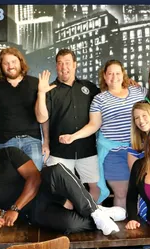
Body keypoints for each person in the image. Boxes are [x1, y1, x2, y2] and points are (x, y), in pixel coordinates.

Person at [0, 133, 126, 236]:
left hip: (46, 189)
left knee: (56, 171)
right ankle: (102, 213)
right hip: (34, 212)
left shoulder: (10, 153)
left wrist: (15, 208)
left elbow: (34, 177)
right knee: (70, 225)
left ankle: (95, 212)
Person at [59, 59, 147, 207]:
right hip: (114, 153)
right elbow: (94, 125)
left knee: (143, 191)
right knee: (121, 193)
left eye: (117, 73)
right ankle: (121, 229)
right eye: (110, 73)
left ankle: (140, 225)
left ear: (123, 75)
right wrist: (73, 136)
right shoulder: (99, 99)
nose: (114, 77)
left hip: (140, 150)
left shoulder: (138, 91)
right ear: (105, 77)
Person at [35, 49, 100, 201]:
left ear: (75, 65)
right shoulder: (49, 90)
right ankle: (70, 219)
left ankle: (91, 216)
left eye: (67, 63)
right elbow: (42, 118)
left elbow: (108, 97)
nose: (64, 67)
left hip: (87, 149)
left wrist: (127, 84)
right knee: (59, 189)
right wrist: (41, 94)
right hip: (60, 151)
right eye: (60, 63)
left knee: (94, 186)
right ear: (56, 66)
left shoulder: (89, 87)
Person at [0, 47, 46, 171]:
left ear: (20, 62)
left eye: (13, 62)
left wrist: (47, 142)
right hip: (6, 142)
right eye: (6, 63)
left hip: (32, 141)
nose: (10, 66)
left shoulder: (35, 83)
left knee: (35, 180)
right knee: (10, 182)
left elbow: (44, 118)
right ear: (1, 66)